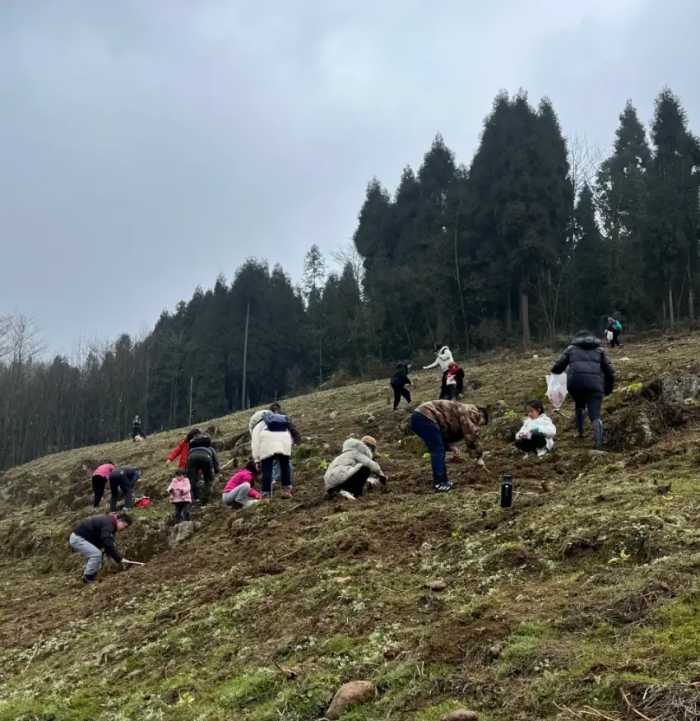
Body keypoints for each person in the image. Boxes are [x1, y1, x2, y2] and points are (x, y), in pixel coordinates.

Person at [551, 330, 615, 449]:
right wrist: (607, 389)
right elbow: (610, 372)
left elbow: (557, 367)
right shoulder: (600, 350)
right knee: (595, 414)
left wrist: (556, 373)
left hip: (575, 384)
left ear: (577, 338)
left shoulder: (571, 349)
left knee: (579, 404)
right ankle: (599, 444)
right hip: (595, 386)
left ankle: (580, 432)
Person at [410, 400, 488, 492]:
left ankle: (443, 481)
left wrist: (450, 446)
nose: (478, 425)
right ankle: (439, 483)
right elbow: (472, 436)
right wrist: (479, 457)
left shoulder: (460, 411)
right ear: (481, 415)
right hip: (425, 416)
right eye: (481, 424)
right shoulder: (471, 411)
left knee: (439, 449)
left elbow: (443, 430)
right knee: (437, 450)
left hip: (420, 417)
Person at [249, 403, 301, 499]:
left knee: (267, 470)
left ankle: (266, 495)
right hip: (284, 440)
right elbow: (289, 433)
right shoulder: (279, 421)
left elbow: (255, 444)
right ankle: (287, 491)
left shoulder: (257, 426)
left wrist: (257, 460)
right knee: (285, 467)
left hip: (268, 444)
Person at [69, 512, 133, 583]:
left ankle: (93, 575)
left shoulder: (110, 522)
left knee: (99, 555)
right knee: (96, 554)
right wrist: (119, 558)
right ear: (120, 520)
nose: (124, 529)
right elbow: (107, 543)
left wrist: (114, 556)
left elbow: (107, 544)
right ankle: (87, 577)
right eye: (125, 526)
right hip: (78, 538)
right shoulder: (109, 524)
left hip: (83, 538)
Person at [324, 436, 387, 500]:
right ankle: (354, 493)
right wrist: (382, 475)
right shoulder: (357, 453)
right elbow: (372, 465)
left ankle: (337, 491)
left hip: (330, 483)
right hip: (341, 477)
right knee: (365, 469)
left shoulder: (342, 455)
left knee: (355, 470)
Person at [186, 434, 220, 506]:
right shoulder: (210, 448)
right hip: (205, 458)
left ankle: (193, 499)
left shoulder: (192, 449)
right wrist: (216, 471)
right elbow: (215, 462)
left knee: (192, 481)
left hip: (191, 458)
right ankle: (205, 500)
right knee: (208, 480)